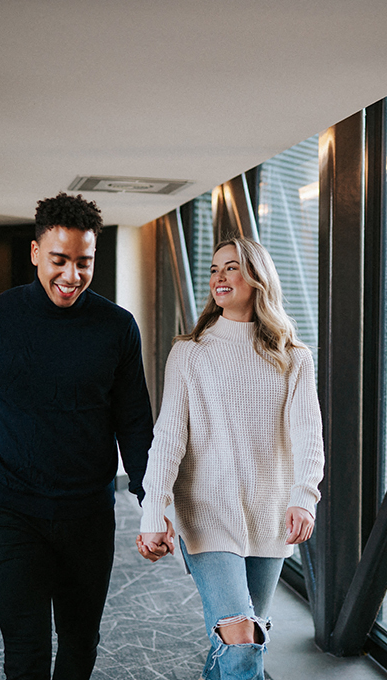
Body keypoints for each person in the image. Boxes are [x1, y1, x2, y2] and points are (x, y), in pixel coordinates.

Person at [0, 192, 154, 680]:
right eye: (59, 260)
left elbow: (135, 426)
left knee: (81, 646)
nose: (71, 276)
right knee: (25, 653)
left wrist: (155, 505)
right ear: (36, 252)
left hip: (88, 517)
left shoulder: (117, 328)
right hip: (14, 514)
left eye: (84, 262)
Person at [137, 237, 325, 680]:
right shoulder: (190, 352)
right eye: (214, 269)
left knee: (242, 642)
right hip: (206, 513)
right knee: (240, 640)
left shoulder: (293, 357)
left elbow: (309, 436)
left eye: (232, 268)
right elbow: (167, 438)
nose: (219, 277)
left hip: (268, 515)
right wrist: (153, 510)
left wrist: (304, 496)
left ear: (257, 278)